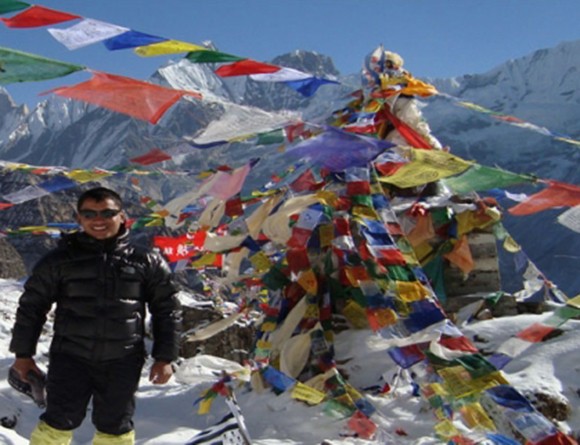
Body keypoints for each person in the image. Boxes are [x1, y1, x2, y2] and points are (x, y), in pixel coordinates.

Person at [9, 186, 182, 445]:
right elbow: (31, 308)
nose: (98, 220)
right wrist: (23, 356)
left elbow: (167, 309)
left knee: (116, 428)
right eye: (89, 214)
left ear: (123, 216)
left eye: (107, 213)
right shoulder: (58, 261)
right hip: (70, 358)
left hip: (123, 361)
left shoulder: (146, 261)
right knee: (57, 423)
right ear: (79, 219)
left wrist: (165, 357)